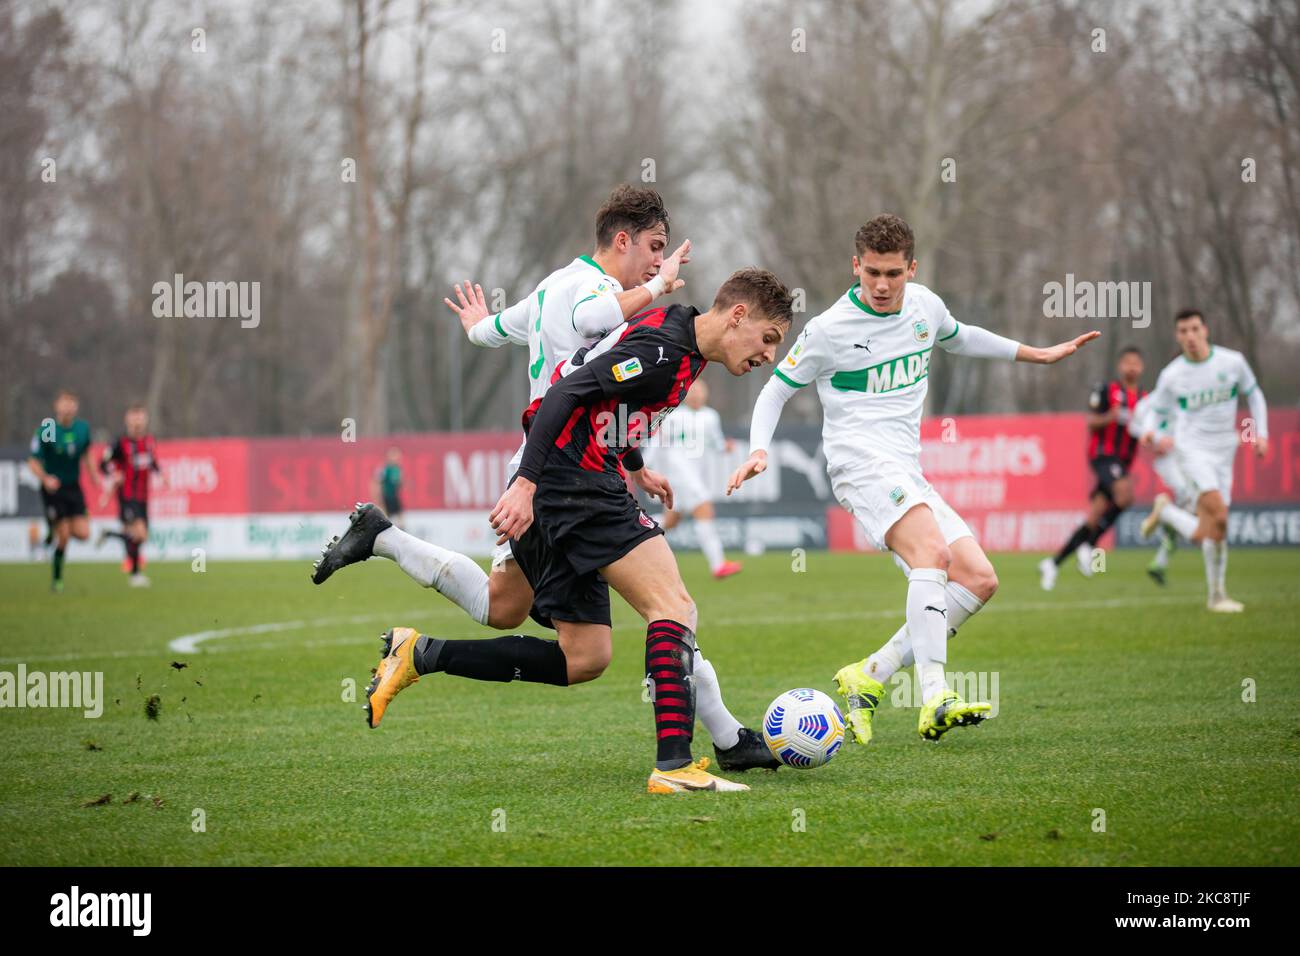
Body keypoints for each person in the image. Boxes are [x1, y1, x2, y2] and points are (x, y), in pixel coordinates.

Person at [315, 187, 776, 773]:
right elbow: (585, 357)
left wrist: (633, 463)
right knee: (669, 606)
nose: (659, 264)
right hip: (558, 469)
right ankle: (700, 752)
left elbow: (498, 338)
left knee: (538, 627)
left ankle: (398, 585)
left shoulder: (553, 290)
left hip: (556, 464)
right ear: (622, 240)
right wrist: (655, 291)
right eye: (654, 250)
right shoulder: (599, 294)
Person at [727, 214, 1098, 746]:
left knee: (978, 578)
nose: (881, 285)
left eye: (893, 274)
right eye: (872, 272)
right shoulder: (830, 329)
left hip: (906, 469)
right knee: (933, 556)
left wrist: (1033, 353)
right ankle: (935, 697)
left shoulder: (925, 305)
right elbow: (775, 389)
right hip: (858, 464)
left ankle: (870, 675)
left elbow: (960, 337)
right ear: (856, 266)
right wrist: (759, 449)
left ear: (911, 269)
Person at [1137, 309, 1268, 612]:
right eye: (1183, 331)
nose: (1190, 336)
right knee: (1220, 516)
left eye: (1195, 329)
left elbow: (1255, 394)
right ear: (1177, 336)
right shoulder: (1173, 374)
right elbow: (1155, 409)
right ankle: (1217, 596)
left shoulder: (1232, 362)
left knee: (1209, 531)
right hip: (1191, 451)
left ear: (1205, 330)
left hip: (1225, 452)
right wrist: (1149, 433)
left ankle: (1216, 593)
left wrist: (1260, 435)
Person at [1039, 347, 1147, 590]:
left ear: (1142, 368)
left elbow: (1148, 429)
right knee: (1125, 495)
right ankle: (1090, 545)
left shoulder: (1146, 399)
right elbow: (1092, 422)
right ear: (1120, 366)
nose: (1132, 367)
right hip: (1103, 455)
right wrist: (1111, 416)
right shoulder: (1108, 391)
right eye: (1127, 362)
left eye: (1136, 363)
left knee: (1094, 516)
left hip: (1124, 461)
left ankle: (1053, 563)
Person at [644, 379, 742, 578]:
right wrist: (642, 467)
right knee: (704, 507)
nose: (697, 394)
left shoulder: (710, 416)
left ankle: (632, 531)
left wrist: (726, 447)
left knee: (671, 521)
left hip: (693, 475)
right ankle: (718, 564)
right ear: (686, 393)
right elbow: (656, 443)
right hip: (679, 473)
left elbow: (716, 443)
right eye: (693, 391)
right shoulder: (673, 416)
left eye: (700, 391)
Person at [27, 389, 99, 593]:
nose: (68, 407)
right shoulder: (48, 428)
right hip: (54, 489)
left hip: (73, 488)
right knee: (64, 535)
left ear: (76, 406)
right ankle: (57, 580)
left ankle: (52, 531)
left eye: (72, 402)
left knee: (84, 534)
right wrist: (45, 478)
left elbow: (87, 454)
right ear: (56, 406)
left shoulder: (82, 428)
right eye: (64, 402)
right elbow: (33, 461)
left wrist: (95, 477)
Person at [98, 403, 162, 587]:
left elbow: (152, 462)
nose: (137, 421)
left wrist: (161, 473)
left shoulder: (149, 441)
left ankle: (109, 535)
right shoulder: (120, 443)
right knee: (139, 534)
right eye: (134, 417)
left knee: (139, 536)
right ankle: (135, 575)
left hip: (143, 497)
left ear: (145, 419)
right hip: (127, 496)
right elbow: (102, 464)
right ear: (127, 420)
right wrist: (113, 475)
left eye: (140, 417)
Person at [371, 447, 404, 528]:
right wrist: (378, 496)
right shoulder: (385, 469)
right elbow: (377, 482)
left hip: (394, 496)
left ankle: (402, 531)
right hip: (386, 496)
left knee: (399, 515)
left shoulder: (397, 468)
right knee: (387, 516)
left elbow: (398, 482)